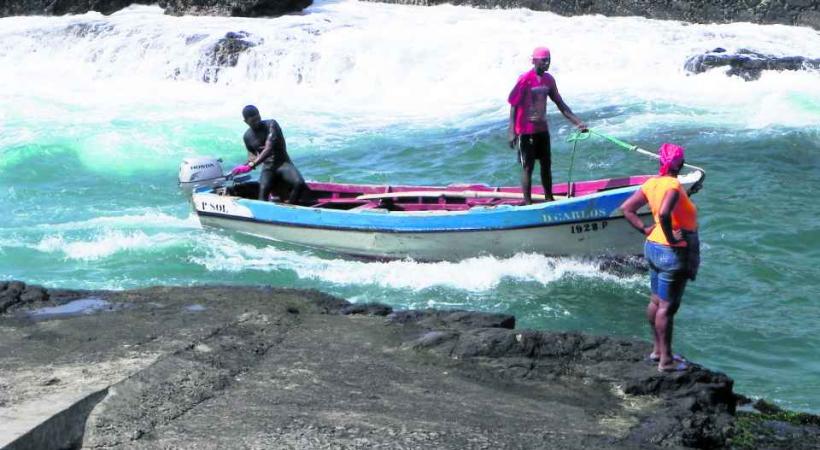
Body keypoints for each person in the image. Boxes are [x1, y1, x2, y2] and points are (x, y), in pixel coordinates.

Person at [620, 143, 700, 372]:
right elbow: (665, 213)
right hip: (671, 251)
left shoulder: (651, 183)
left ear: (661, 163)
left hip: (653, 246)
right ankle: (666, 360)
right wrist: (672, 239)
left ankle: (657, 351)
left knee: (656, 301)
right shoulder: (674, 185)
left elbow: (627, 209)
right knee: (667, 306)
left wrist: (645, 229)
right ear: (681, 164)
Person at [507, 46, 587, 204]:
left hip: (542, 129)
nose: (547, 63)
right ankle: (528, 203)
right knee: (528, 167)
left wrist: (578, 122)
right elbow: (514, 105)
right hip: (525, 131)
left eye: (549, 60)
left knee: (546, 165)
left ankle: (549, 198)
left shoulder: (549, 80)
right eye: (544, 60)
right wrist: (511, 131)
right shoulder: (524, 79)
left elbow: (560, 103)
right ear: (534, 61)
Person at [231, 105, 306, 204]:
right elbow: (252, 157)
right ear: (246, 122)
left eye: (258, 118)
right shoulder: (247, 137)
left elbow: (268, 149)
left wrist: (252, 165)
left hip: (283, 164)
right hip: (268, 168)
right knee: (262, 197)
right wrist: (242, 167)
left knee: (299, 184)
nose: (257, 122)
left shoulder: (271, 124)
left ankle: (290, 207)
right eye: (253, 121)